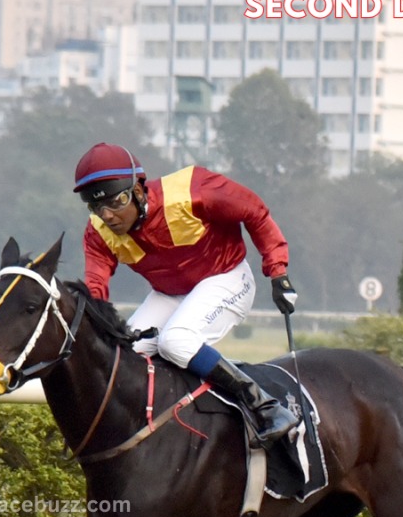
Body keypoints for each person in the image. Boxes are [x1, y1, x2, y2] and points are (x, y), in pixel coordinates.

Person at [74, 142, 299, 445]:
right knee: (121, 359)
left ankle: (265, 406)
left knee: (175, 342)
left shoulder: (192, 190)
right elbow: (96, 290)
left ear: (139, 190)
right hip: (170, 294)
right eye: (96, 207)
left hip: (227, 277)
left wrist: (278, 271)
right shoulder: (98, 232)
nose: (108, 216)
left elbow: (254, 211)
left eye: (117, 202)